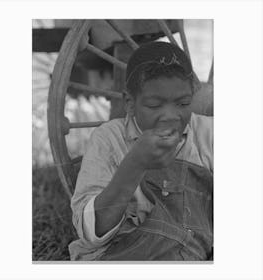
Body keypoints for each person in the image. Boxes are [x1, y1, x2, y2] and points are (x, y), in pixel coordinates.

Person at [69, 41, 213, 261]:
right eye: (154, 105)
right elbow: (90, 233)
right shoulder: (109, 139)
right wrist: (134, 164)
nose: (170, 116)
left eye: (183, 104)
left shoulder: (210, 136)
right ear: (129, 102)